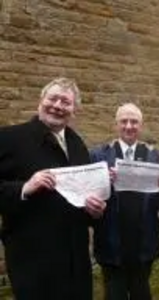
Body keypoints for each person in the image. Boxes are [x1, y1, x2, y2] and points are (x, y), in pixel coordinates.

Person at [0, 77, 106, 300]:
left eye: (65, 102)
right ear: (41, 101)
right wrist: (24, 188)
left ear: (74, 110)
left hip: (75, 260)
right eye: (53, 99)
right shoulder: (9, 138)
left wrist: (94, 211)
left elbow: (82, 194)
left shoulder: (77, 144)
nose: (57, 106)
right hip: (33, 260)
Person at [90, 103, 159, 300]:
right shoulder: (99, 155)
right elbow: (90, 197)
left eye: (134, 122)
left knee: (141, 291)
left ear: (141, 125)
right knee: (114, 292)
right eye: (124, 121)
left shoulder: (154, 156)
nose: (129, 126)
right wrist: (103, 182)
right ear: (116, 125)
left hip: (144, 240)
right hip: (111, 240)